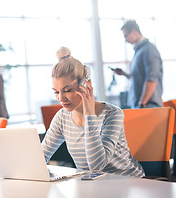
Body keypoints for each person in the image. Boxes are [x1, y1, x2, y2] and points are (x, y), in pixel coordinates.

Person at [41, 47, 145, 177]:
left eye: (67, 90)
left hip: (127, 181)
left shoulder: (112, 114)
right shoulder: (62, 118)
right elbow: (40, 157)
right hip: (93, 186)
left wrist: (89, 114)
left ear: (85, 84)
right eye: (56, 92)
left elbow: (96, 167)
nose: (61, 98)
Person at [112, 20, 163, 108]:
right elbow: (138, 78)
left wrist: (142, 104)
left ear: (134, 32)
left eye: (126, 36)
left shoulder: (149, 50)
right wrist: (124, 74)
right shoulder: (139, 52)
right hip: (141, 105)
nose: (126, 40)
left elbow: (152, 79)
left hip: (148, 105)